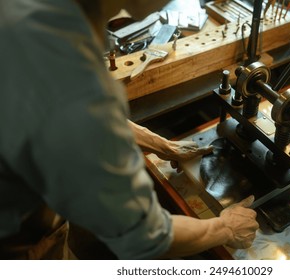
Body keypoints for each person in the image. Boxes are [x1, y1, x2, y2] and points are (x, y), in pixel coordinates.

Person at [0, 0, 259, 259]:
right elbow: (146, 239)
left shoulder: (35, 16)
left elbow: (64, 115)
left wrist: (162, 145)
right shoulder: (70, 73)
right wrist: (225, 228)